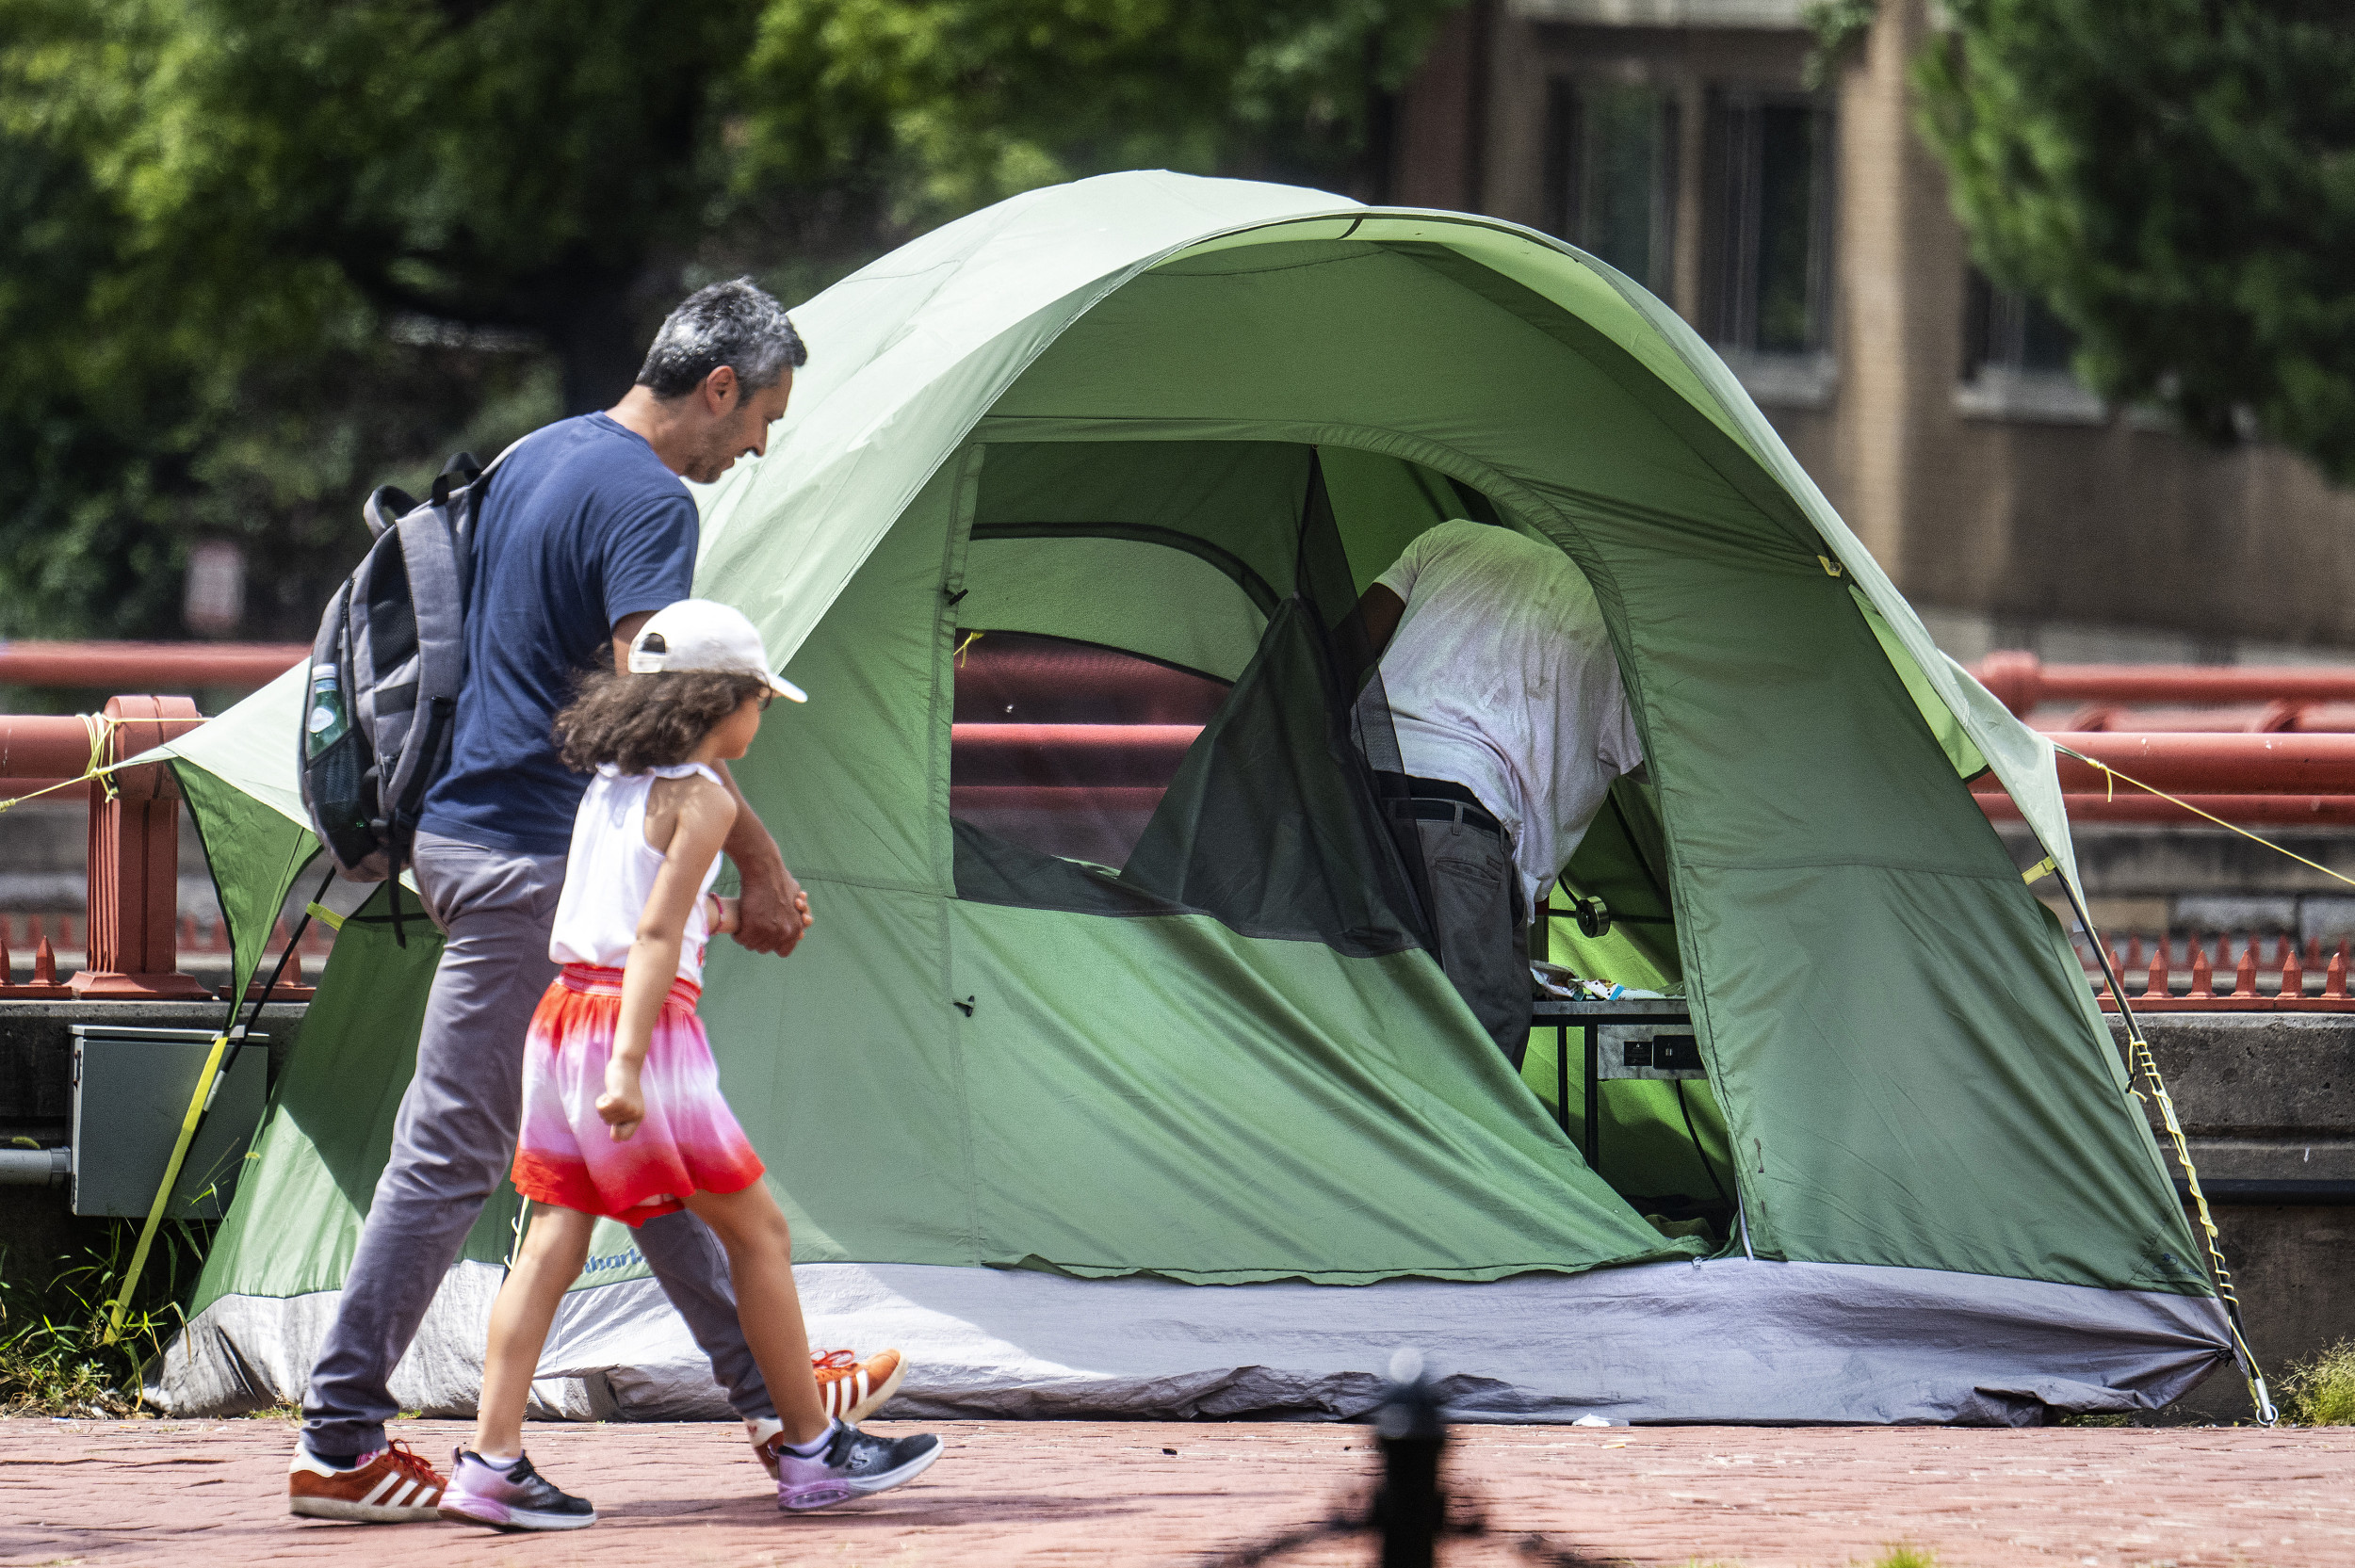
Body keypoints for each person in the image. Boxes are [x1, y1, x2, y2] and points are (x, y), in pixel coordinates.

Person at [289, 280, 898, 1523]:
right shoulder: (648, 502)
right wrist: (762, 870)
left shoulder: (539, 453)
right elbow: (663, 723)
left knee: (645, 1140)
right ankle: (339, 1439)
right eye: (763, 417)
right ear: (717, 388)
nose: (761, 447)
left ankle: (785, 1407)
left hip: (463, 830)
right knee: (455, 1149)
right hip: (527, 858)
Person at [435, 601, 944, 1529]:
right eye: (759, 701)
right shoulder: (703, 797)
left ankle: (489, 1461)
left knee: (551, 1243)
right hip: (643, 1037)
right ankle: (809, 1450)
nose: (763, 718)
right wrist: (630, 1065)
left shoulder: (610, 784)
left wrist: (723, 918)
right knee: (760, 1236)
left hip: (561, 1024)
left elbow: (646, 915)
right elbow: (654, 933)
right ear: (724, 703)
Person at [1356, 517, 1644, 1066]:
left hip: (1356, 796)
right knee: (1476, 1059)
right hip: (1460, 824)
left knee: (1361, 1025)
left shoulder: (1450, 536)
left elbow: (1344, 649)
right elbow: (1671, 766)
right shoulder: (1615, 620)